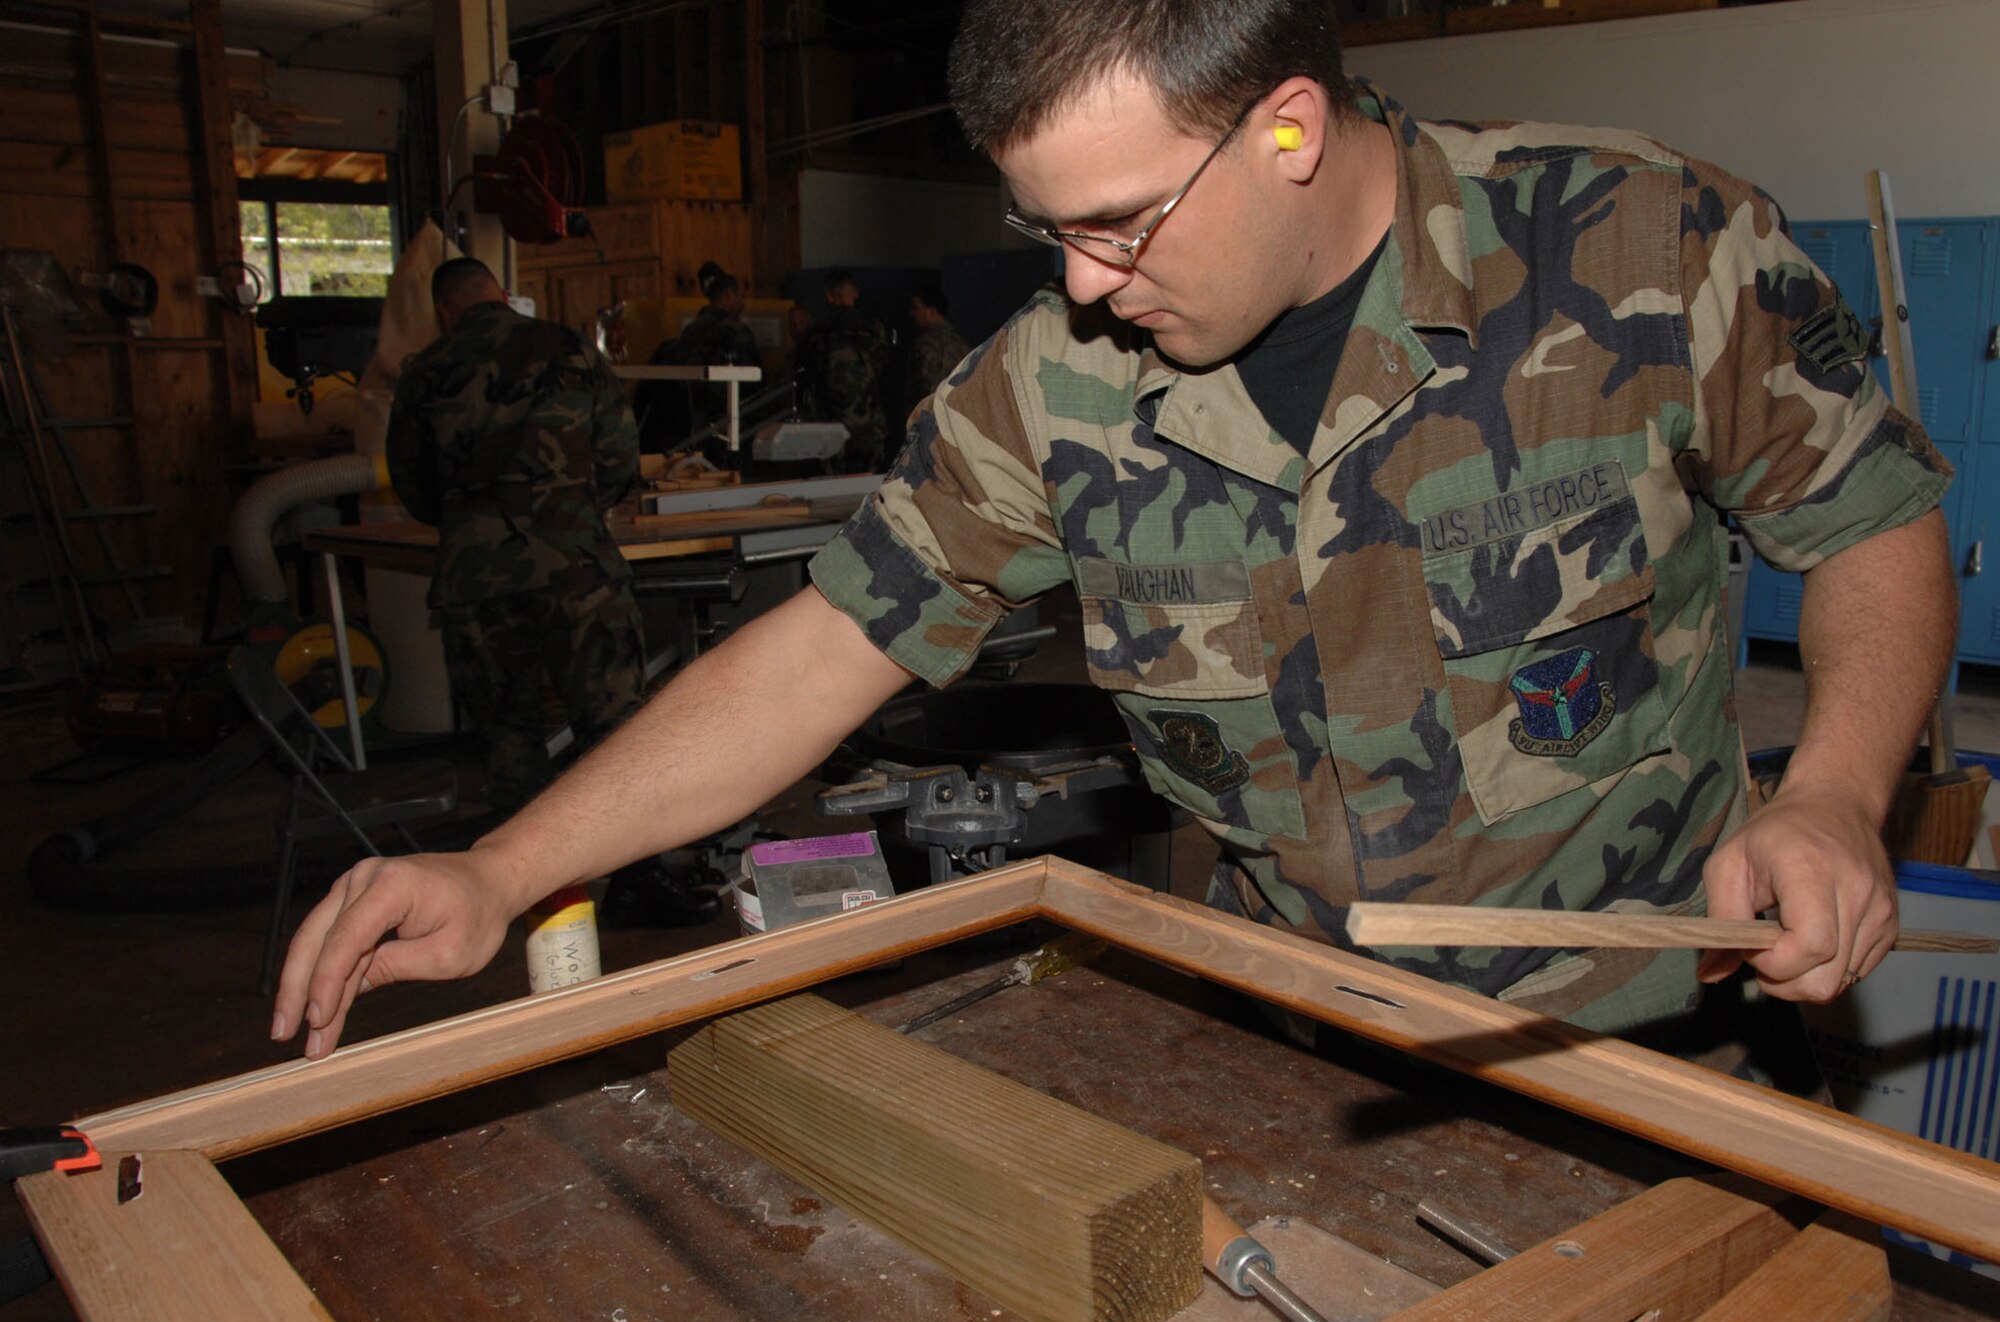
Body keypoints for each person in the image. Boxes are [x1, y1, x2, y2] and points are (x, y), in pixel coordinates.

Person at [275, 1, 1952, 1060]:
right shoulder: (1049, 390)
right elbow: (814, 657)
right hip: (1298, 1051)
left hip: (1651, 1046)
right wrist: (500, 868)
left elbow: (1876, 532)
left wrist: (1829, 798)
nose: (1078, 284)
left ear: (1286, 127)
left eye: (1114, 225)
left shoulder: (1643, 247)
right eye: (1043, 227)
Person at [385, 257, 719, 930]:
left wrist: (476, 520)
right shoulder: (569, 348)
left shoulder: (426, 368)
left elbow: (414, 486)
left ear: (445, 310)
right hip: (575, 570)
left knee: (510, 740)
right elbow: (621, 460)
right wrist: (564, 510)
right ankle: (638, 879)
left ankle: (533, 900)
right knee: (617, 729)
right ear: (504, 296)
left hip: (478, 580)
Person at [634, 260, 759, 455]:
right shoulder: (737, 331)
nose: (741, 302)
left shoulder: (690, 331)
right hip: (730, 422)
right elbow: (754, 381)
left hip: (691, 424)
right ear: (728, 295)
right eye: (739, 296)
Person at [799, 269, 891, 471]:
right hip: (869, 426)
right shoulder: (874, 330)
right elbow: (883, 370)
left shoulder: (819, 332)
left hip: (830, 429)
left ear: (830, 296)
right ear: (855, 293)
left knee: (833, 492)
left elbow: (807, 372)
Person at [907, 284, 971, 414]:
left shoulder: (927, 342)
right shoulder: (958, 342)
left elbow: (924, 385)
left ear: (931, 311)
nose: (911, 313)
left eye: (916, 308)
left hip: (930, 416)